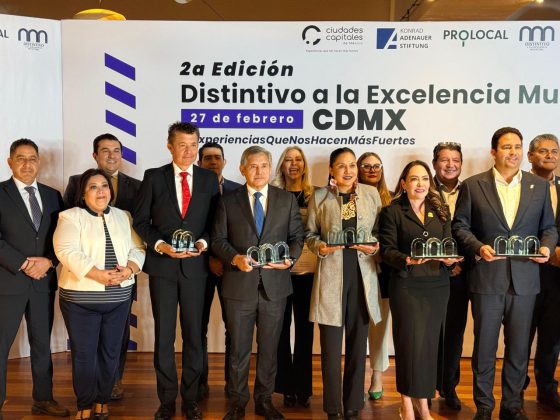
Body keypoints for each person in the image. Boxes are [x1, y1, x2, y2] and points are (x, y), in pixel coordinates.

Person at [453, 127, 557, 420]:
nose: (513, 152)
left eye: (517, 147)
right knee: (484, 348)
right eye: (506, 147)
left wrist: (547, 247)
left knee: (519, 348)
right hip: (487, 277)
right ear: (493, 152)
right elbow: (460, 226)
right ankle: (484, 407)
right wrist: (478, 247)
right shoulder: (473, 185)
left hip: (525, 279)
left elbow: (549, 228)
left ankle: (512, 405)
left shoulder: (539, 186)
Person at [133, 122, 220, 420]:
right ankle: (167, 399)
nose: (189, 151)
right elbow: (141, 221)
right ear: (170, 146)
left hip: (196, 269)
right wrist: (160, 245)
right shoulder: (153, 177)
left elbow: (216, 221)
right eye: (182, 145)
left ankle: (191, 399)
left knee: (195, 336)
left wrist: (204, 242)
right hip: (163, 269)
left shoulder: (209, 179)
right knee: (164, 337)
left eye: (193, 145)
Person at [212, 145, 303, 420]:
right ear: (242, 169)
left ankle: (264, 400)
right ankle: (238, 402)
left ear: (270, 168)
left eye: (264, 165)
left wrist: (290, 259)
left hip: (275, 287)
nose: (259, 171)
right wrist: (234, 258)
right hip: (239, 286)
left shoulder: (286, 199)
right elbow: (218, 240)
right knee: (238, 350)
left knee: (270, 349)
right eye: (253, 166)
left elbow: (296, 238)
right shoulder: (228, 201)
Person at [53, 168, 145, 419]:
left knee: (110, 353)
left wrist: (130, 269)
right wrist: (97, 274)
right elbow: (66, 251)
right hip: (81, 300)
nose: (100, 191)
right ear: (83, 194)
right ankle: (84, 404)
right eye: (93, 187)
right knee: (84, 355)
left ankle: (102, 400)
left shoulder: (123, 216)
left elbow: (138, 248)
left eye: (104, 186)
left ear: (111, 191)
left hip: (118, 299)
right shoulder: (70, 217)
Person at [306, 147, 382, 420]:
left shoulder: (371, 194)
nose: (348, 171)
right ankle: (332, 407)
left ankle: (352, 403)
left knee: (357, 344)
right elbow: (310, 233)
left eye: (352, 165)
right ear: (331, 170)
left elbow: (379, 233)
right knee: (330, 347)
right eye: (341, 166)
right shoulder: (320, 197)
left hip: (362, 276)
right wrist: (320, 247)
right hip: (331, 275)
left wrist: (374, 246)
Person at [379, 160, 459, 420]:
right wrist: (407, 259)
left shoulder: (440, 210)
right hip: (407, 285)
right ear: (404, 183)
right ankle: (406, 403)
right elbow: (386, 250)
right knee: (408, 345)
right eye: (414, 179)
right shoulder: (392, 212)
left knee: (428, 347)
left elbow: (448, 243)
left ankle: (423, 406)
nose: (420, 184)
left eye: (425, 179)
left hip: (437, 285)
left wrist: (450, 259)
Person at [0, 139, 69, 417]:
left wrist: (50, 262)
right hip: (8, 283)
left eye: (32, 158)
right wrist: (24, 263)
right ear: (10, 162)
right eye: (21, 158)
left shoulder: (53, 196)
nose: (27, 164)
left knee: (42, 344)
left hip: (43, 283)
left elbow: (62, 238)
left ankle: (43, 398)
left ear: (39, 162)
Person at [197, 141, 241, 400]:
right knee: (198, 328)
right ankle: (200, 382)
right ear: (199, 163)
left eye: (217, 157)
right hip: (201, 269)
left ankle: (232, 382)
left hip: (231, 270)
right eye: (207, 158)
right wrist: (209, 259)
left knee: (233, 328)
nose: (213, 162)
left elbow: (240, 232)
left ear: (225, 162)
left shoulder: (237, 190)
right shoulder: (193, 190)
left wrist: (225, 259)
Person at [272, 146, 315, 408]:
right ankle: (286, 387)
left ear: (304, 165)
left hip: (308, 274)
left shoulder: (315, 195)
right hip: (279, 273)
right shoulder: (273, 194)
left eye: (298, 159)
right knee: (280, 331)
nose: (294, 164)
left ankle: (303, 388)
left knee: (305, 333)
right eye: (288, 160)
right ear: (281, 165)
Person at [524, 134, 560, 409]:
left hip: (557, 275)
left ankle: (546, 389)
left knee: (552, 335)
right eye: (543, 151)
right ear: (530, 156)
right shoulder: (519, 186)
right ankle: (515, 389)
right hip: (526, 271)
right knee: (520, 335)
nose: (550, 156)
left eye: (554, 151)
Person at [431, 142, 466, 410]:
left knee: (454, 332)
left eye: (455, 160)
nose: (450, 165)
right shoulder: (422, 186)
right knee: (430, 331)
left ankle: (449, 386)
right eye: (445, 160)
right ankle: (425, 386)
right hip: (430, 271)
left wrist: (460, 262)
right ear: (435, 163)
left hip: (462, 272)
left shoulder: (472, 189)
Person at [357, 152, 391, 401]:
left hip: (383, 270)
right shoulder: (349, 197)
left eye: (376, 166)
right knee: (358, 323)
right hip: (357, 267)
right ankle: (355, 375)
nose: (371, 170)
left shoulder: (392, 199)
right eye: (366, 166)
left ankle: (377, 374)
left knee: (379, 324)